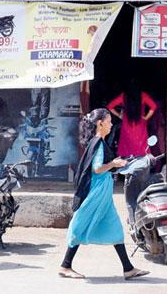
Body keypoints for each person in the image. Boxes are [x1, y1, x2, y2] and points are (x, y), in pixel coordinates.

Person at [59, 108, 149, 280]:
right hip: (96, 192)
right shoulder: (99, 142)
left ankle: (128, 268)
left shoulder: (97, 142)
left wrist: (117, 164)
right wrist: (114, 163)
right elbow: (98, 168)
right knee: (80, 224)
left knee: (114, 226)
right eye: (108, 121)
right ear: (100, 123)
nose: (111, 124)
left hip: (103, 194)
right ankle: (65, 265)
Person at [107, 81, 158, 160]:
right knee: (141, 148)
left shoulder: (123, 96)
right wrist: (146, 117)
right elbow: (153, 106)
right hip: (140, 125)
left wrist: (119, 115)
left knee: (127, 146)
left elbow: (110, 106)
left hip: (127, 125)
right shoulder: (143, 95)